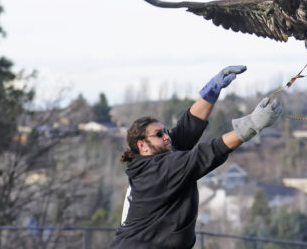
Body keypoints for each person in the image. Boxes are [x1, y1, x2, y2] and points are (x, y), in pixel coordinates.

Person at [110, 65, 283, 248]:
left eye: (166, 131)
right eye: (159, 134)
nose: (167, 136)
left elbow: (186, 129)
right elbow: (206, 154)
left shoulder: (152, 161)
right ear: (142, 145)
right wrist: (250, 126)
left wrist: (211, 91)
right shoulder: (161, 170)